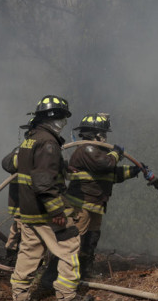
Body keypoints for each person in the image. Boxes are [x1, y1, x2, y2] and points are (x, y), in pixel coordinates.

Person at [2, 95, 94, 301]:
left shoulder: (30, 140)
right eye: (62, 118)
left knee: (28, 253)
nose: (63, 123)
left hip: (29, 210)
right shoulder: (49, 142)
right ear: (54, 118)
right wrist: (57, 212)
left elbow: (32, 168)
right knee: (70, 246)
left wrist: (61, 168)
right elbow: (43, 182)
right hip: (45, 212)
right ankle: (66, 298)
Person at [63, 113, 147, 279]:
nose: (105, 137)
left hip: (95, 204)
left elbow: (111, 175)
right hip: (81, 205)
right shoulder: (86, 149)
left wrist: (135, 170)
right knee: (73, 242)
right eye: (104, 133)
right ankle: (58, 277)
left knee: (91, 239)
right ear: (96, 133)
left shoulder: (98, 152)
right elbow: (105, 165)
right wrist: (116, 153)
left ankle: (85, 272)